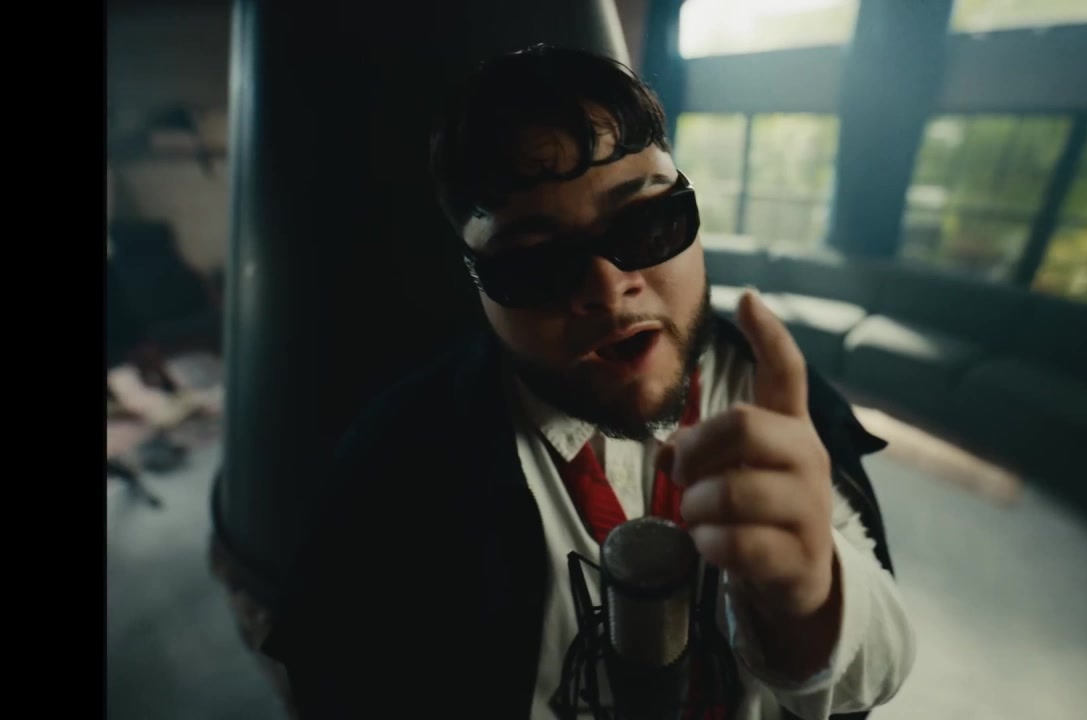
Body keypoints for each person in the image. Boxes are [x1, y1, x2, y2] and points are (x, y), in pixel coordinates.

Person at [263, 45, 914, 720]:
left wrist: (813, 597)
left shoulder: (781, 405)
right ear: (475, 283)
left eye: (647, 222)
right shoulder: (396, 465)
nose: (606, 287)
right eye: (534, 261)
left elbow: (876, 672)